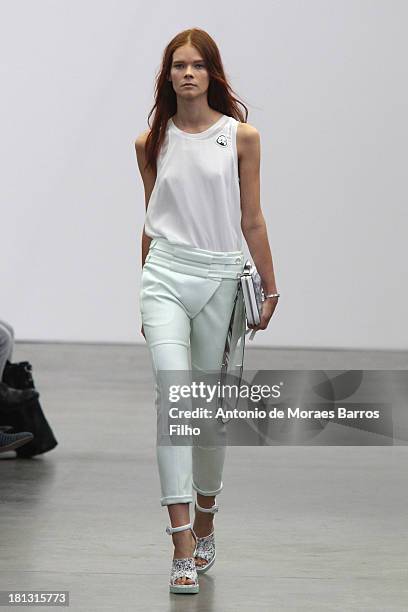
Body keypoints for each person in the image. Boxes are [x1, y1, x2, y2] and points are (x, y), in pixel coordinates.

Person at [134, 28, 279, 594]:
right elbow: (149, 218)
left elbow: (252, 219)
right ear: (167, 74)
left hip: (221, 279)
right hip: (165, 275)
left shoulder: (241, 137)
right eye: (177, 65)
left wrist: (269, 288)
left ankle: (208, 513)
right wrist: (143, 291)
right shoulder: (150, 142)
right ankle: (181, 544)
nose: (187, 73)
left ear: (212, 72)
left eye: (196, 64)